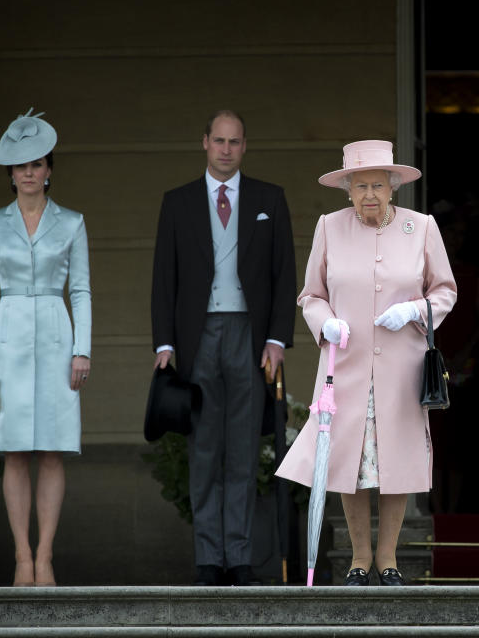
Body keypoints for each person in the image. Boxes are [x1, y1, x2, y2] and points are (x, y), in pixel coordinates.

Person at [276, 140, 457, 586]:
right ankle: (359, 560)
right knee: (348, 462)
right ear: (348, 190)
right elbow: (310, 295)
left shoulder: (422, 227)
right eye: (361, 186)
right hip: (346, 366)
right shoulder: (328, 228)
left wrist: (414, 311)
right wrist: (326, 323)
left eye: (378, 184)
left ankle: (389, 559)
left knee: (396, 460)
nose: (370, 194)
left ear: (394, 186)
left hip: (401, 367)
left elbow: (445, 291)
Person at [150, 110, 297, 586]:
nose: (227, 149)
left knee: (241, 451)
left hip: (250, 339)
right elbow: (163, 279)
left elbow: (283, 273)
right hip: (198, 337)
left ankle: (239, 557)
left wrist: (277, 338)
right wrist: (166, 343)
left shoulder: (269, 198)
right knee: (204, 450)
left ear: (244, 146)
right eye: (219, 141)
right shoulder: (177, 202)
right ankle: (208, 558)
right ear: (205, 143)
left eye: (235, 142)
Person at [0, 109, 91, 586]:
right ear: (10, 173)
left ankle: (46, 557)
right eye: (20, 165)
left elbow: (80, 290)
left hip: (59, 339)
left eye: (37, 163)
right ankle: (22, 557)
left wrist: (83, 349)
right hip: (6, 340)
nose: (28, 172)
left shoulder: (73, 222)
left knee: (53, 451)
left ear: (49, 169)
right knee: (14, 451)